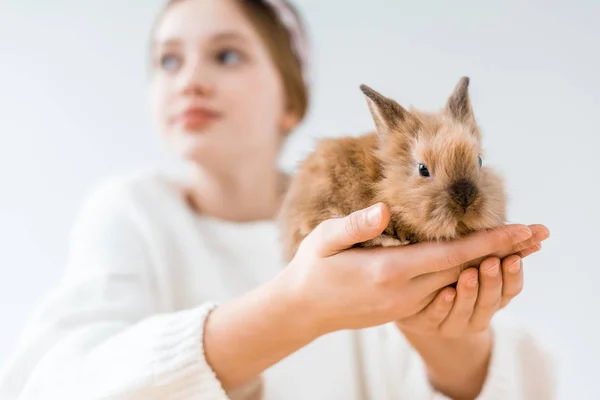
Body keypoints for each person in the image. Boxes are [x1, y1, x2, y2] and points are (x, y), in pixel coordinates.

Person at [0, 0, 556, 399]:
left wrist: (446, 335)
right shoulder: (131, 211)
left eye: (226, 55)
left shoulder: (370, 212)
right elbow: (55, 381)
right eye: (169, 60)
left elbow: (521, 384)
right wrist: (295, 309)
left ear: (290, 100)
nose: (190, 79)